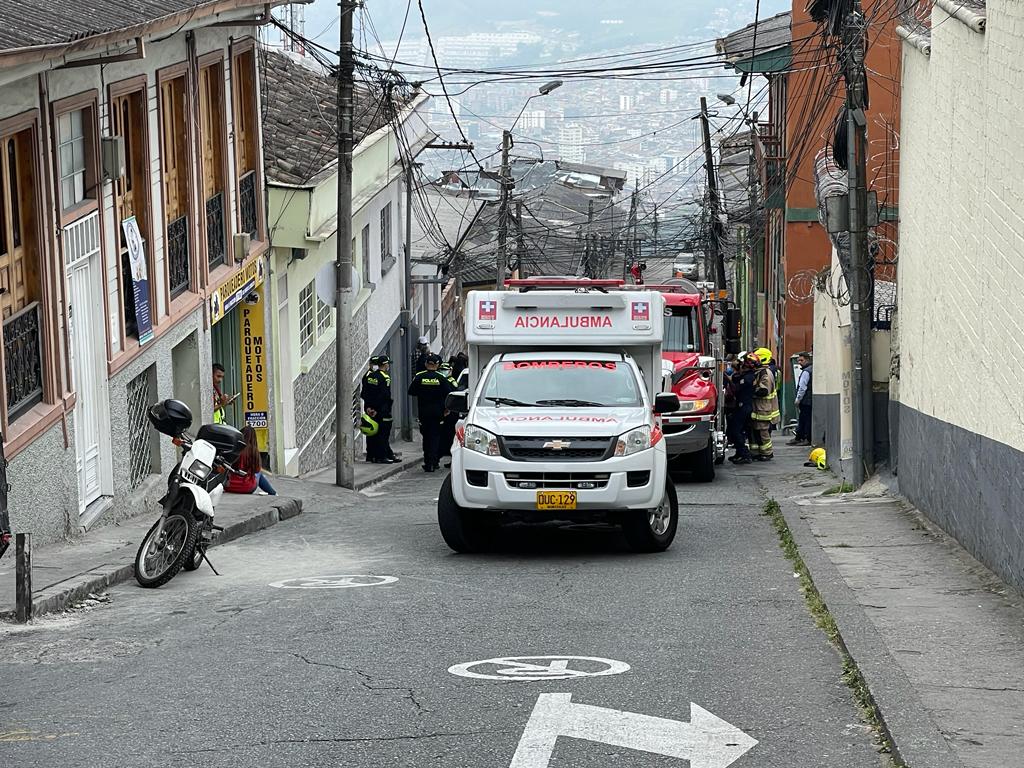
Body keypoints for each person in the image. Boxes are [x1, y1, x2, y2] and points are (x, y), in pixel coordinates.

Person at [408, 353, 456, 472]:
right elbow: (449, 394)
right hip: (438, 413)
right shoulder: (441, 378)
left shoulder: (419, 377)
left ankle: (427, 461)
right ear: (437, 365)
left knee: (426, 437)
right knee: (435, 437)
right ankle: (433, 462)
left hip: (423, 412)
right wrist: (447, 409)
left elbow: (411, 391)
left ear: (426, 364)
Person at [361, 357, 399, 464]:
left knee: (373, 433)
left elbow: (365, 393)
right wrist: (377, 409)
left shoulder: (370, 376)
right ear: (385, 364)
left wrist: (369, 407)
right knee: (383, 433)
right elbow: (384, 395)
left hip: (370, 409)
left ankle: (375, 455)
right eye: (387, 364)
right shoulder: (385, 377)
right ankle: (381, 456)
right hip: (381, 410)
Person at [226, 426, 277, 495]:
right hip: (247, 487)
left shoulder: (234, 448)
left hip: (229, 486)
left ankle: (273, 492)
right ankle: (273, 493)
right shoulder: (253, 451)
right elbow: (257, 470)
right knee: (259, 474)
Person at [727, 353, 757, 464]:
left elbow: (736, 389)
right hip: (742, 406)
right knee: (737, 431)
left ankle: (744, 454)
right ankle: (739, 453)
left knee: (736, 431)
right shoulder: (746, 375)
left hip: (743, 407)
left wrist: (729, 380)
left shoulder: (748, 378)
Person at [751, 353, 780, 461]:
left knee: (763, 431)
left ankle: (767, 453)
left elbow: (764, 391)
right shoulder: (761, 372)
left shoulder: (765, 374)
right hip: (760, 408)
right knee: (757, 431)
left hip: (764, 408)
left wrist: (751, 390)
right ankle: (757, 452)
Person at [438, 361, 461, 467]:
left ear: (450, 371)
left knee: (450, 436)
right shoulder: (445, 380)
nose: (443, 372)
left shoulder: (451, 382)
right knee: (446, 436)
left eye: (445, 370)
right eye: (441, 370)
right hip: (448, 412)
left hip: (451, 413)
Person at [788, 352, 813, 446]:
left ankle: (805, 438)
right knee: (804, 419)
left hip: (806, 400)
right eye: (798, 360)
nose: (799, 362)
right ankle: (800, 437)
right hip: (809, 399)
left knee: (806, 420)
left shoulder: (806, 371)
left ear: (807, 360)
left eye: (801, 360)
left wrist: (798, 399)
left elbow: (802, 387)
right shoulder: (811, 370)